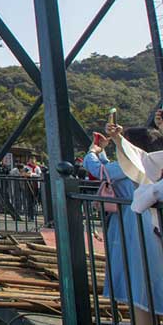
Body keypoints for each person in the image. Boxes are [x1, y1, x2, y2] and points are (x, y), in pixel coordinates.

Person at [86, 123, 163, 322]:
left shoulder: (130, 164)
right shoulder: (153, 162)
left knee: (139, 279)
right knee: (149, 276)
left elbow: (98, 170)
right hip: (149, 219)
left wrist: (94, 151)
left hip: (134, 221)